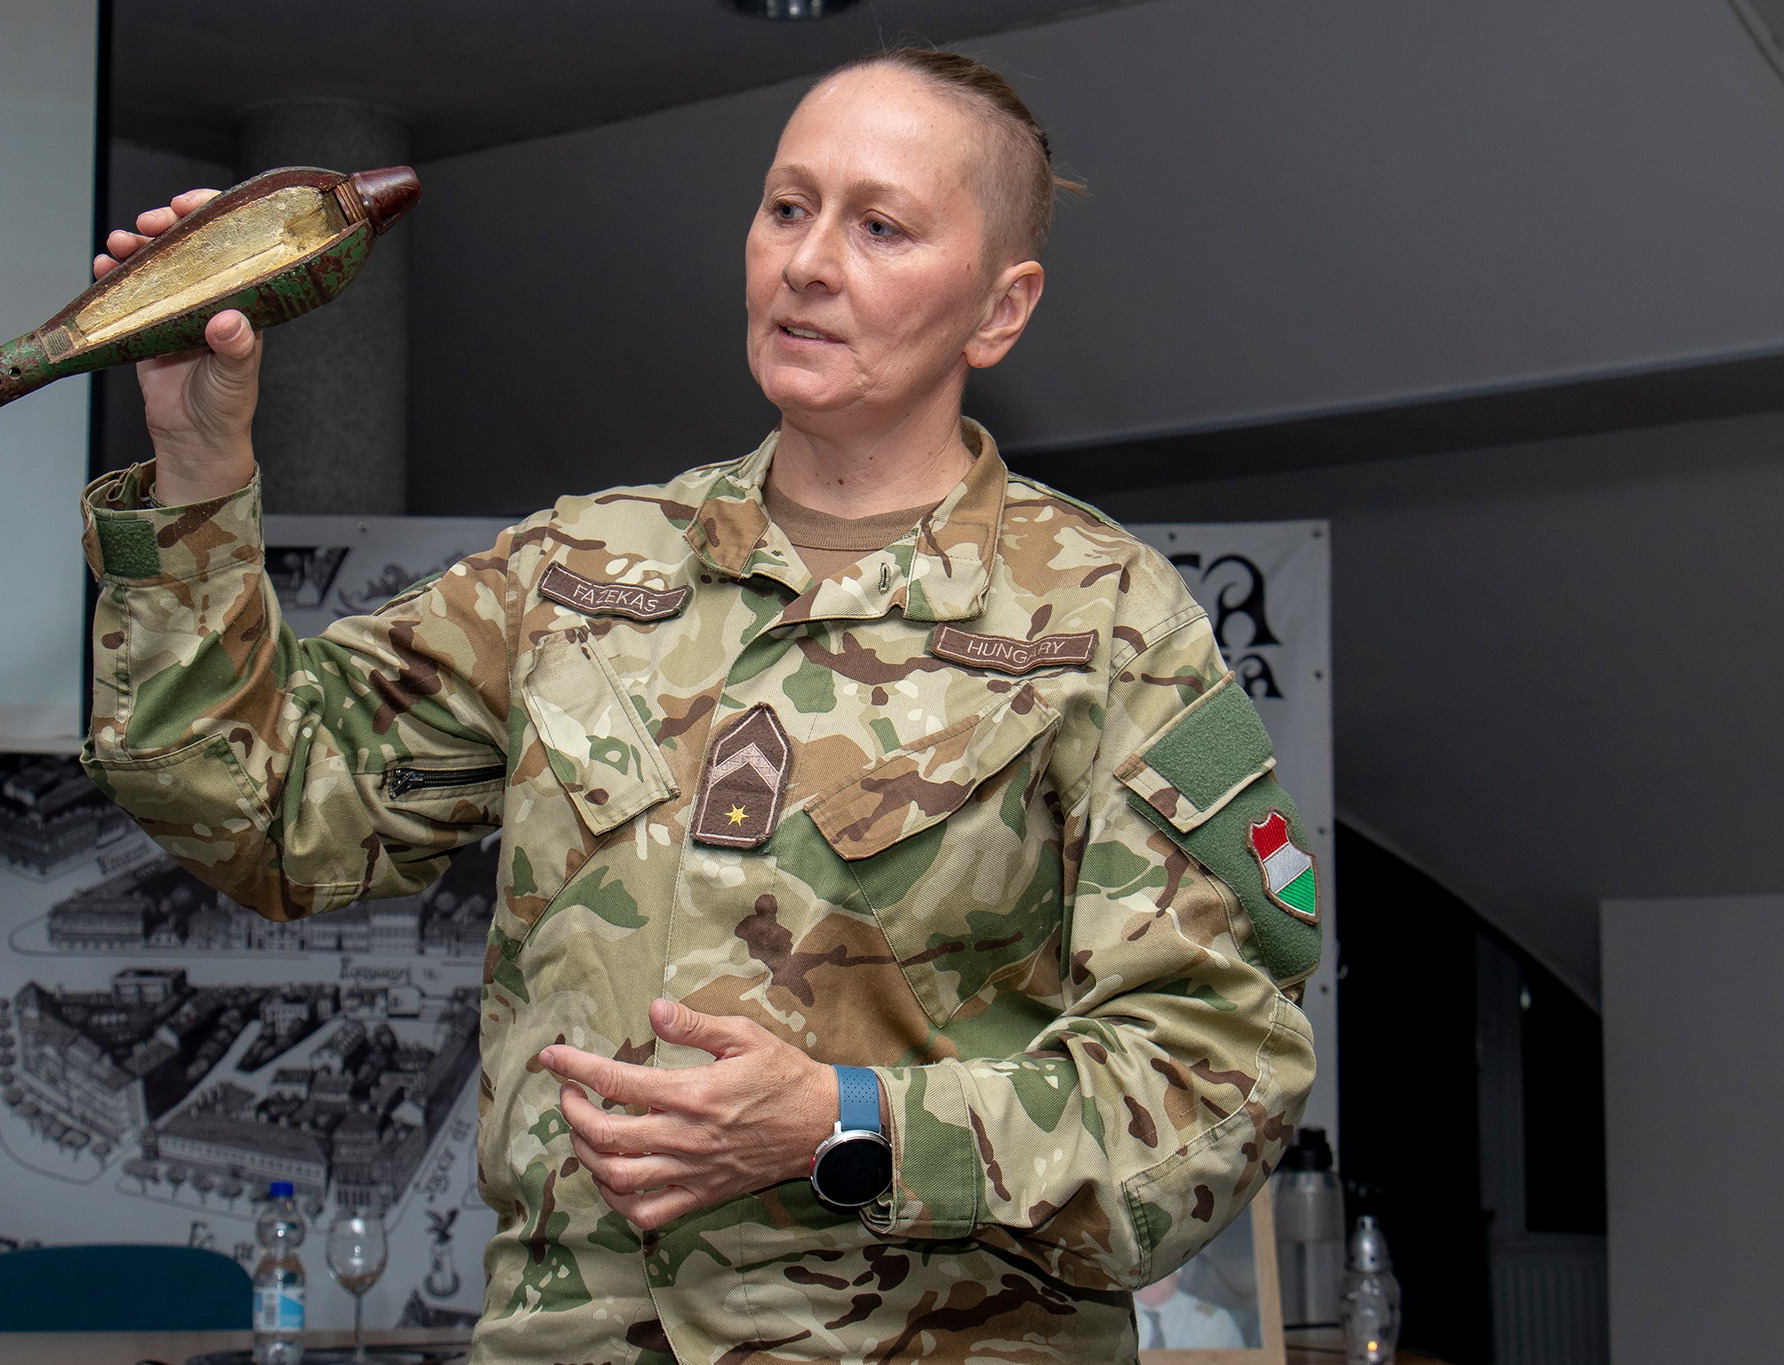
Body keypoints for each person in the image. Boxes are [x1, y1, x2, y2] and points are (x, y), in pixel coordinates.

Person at [80, 48, 1320, 1365]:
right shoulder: (574, 574)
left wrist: (851, 1126)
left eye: (881, 226)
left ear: (999, 310)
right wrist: (198, 460)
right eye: (787, 207)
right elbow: (267, 809)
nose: (810, 262)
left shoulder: (1104, 620)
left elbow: (1218, 1079)